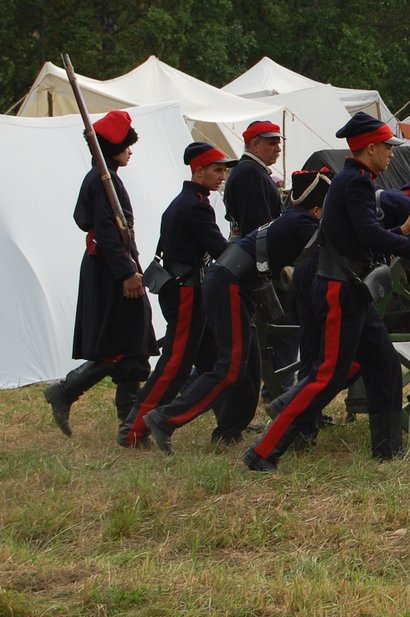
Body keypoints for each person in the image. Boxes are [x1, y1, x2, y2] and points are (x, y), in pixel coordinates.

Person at [244, 113, 410, 471]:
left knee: (384, 364)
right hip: (340, 289)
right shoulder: (354, 183)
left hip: (355, 290)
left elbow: (359, 238)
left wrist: (402, 231)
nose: (391, 155)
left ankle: (388, 449)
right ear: (370, 148)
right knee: (328, 375)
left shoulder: (355, 181)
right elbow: (369, 235)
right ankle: (263, 452)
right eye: (387, 148)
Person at [130, 169, 330, 453]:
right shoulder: (304, 224)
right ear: (317, 209)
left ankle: (228, 430)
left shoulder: (295, 219)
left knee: (248, 367)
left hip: (236, 283)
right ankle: (164, 419)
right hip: (231, 283)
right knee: (230, 367)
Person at [44, 111, 158, 437]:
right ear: (114, 147)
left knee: (131, 344)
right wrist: (127, 272)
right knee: (123, 342)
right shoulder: (100, 180)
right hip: (111, 271)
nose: (131, 151)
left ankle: (128, 425)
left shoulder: (107, 177)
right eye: (127, 145)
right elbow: (108, 233)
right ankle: (70, 393)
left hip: (114, 266)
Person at [121, 142, 237, 449]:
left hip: (186, 288)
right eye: (216, 169)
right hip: (185, 290)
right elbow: (219, 249)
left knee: (212, 360)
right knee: (176, 363)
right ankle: (134, 428)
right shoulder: (194, 205)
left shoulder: (189, 200)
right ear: (198, 170)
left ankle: (231, 424)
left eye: (223, 170)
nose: (221, 175)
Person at [223, 120, 284, 239]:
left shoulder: (253, 170)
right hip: (254, 249)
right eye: (272, 143)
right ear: (255, 145)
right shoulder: (249, 172)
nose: (278, 149)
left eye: (278, 144)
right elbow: (256, 224)